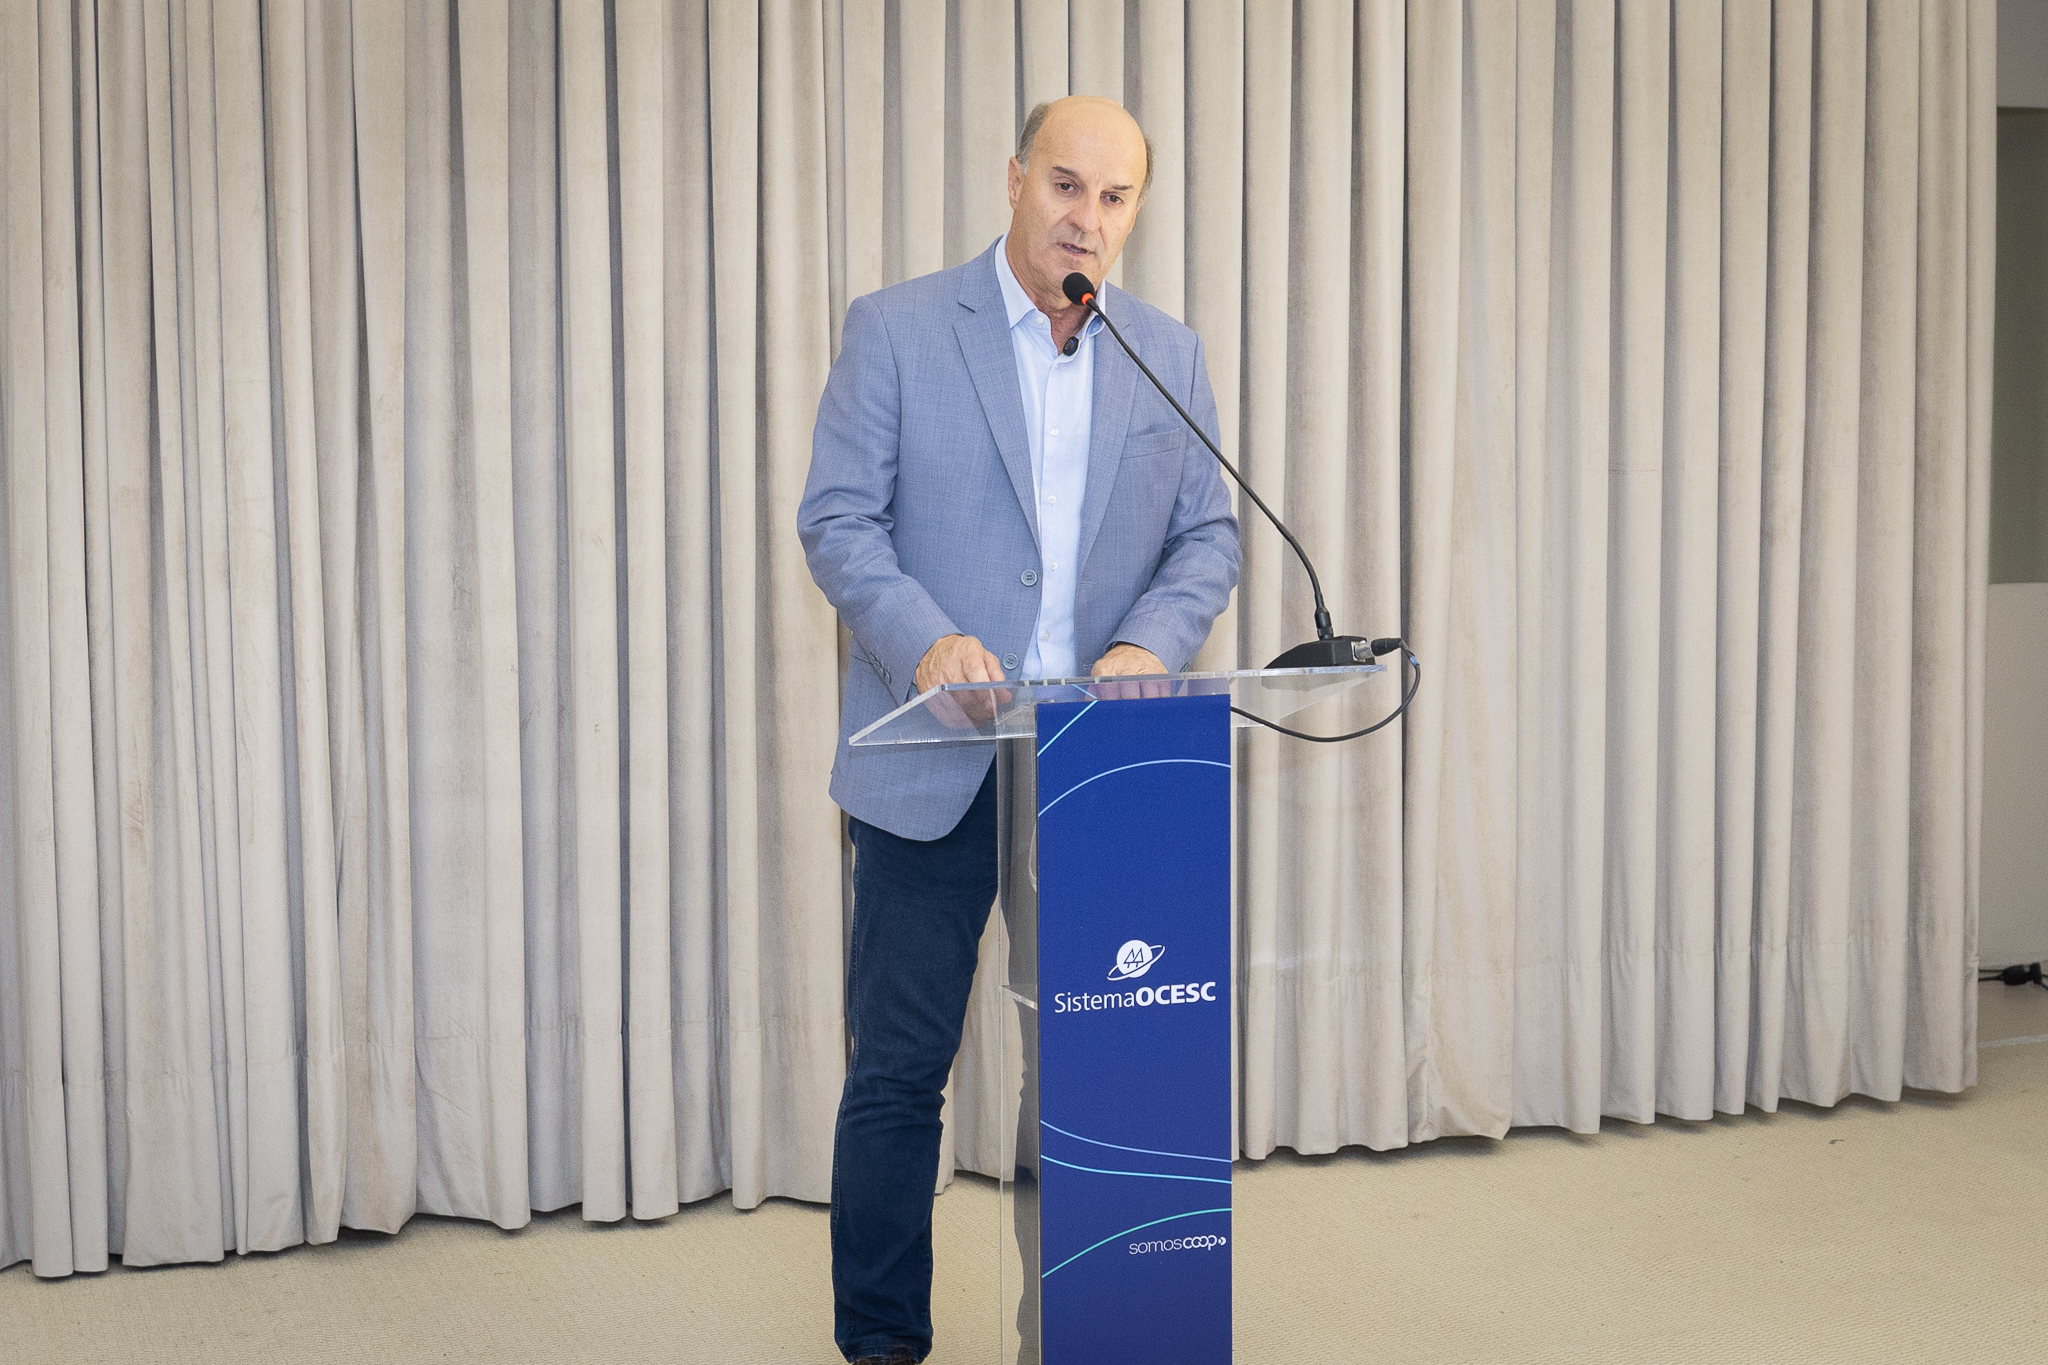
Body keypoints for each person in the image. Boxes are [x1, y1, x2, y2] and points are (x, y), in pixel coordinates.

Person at [796, 95, 1241, 1365]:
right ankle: (882, 1344)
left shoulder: (1165, 354)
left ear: (1134, 213)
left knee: (1096, 1073)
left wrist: (1149, 643)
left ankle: (1086, 1333)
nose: (1084, 218)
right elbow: (837, 519)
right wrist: (924, 638)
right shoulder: (896, 329)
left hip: (1094, 772)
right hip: (933, 757)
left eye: (1113, 197)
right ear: (1012, 180)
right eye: (1064, 185)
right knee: (899, 1076)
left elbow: (1206, 538)